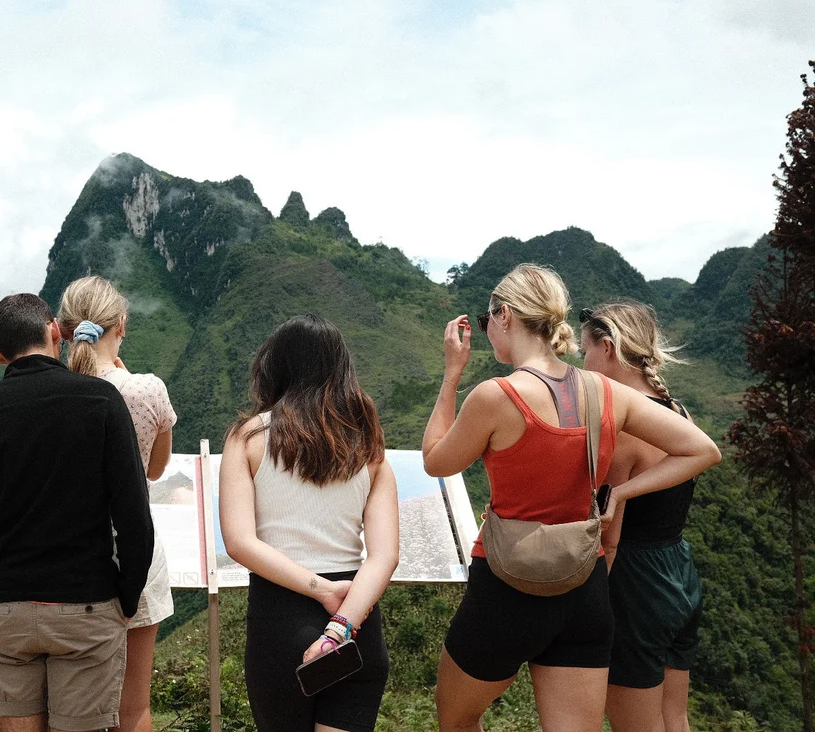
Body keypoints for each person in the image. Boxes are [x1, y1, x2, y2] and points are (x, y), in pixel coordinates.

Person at [422, 264, 721, 732]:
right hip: (585, 591)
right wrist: (620, 494)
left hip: (506, 587)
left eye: (487, 321)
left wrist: (450, 374)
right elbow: (702, 449)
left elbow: (436, 461)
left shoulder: (494, 396)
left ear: (504, 316)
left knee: (457, 718)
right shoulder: (604, 391)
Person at [0, 293, 154, 732]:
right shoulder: (100, 401)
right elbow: (133, 516)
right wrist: (127, 597)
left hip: (9, 608)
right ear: (55, 331)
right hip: (86, 605)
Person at [220, 314, 400, 732]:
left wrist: (321, 592)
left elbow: (240, 542)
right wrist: (341, 624)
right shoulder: (368, 444)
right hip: (357, 623)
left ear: (274, 365)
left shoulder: (246, 439)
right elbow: (385, 556)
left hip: (280, 620)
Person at [580, 301, 710, 732]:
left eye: (586, 352)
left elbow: (610, 537)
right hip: (679, 572)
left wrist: (589, 608)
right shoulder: (677, 412)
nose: (584, 364)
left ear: (609, 348)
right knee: (675, 718)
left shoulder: (625, 427)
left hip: (635, 585)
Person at [57, 276, 176, 732]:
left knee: (72, 711)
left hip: (67, 557)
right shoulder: (147, 390)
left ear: (64, 331)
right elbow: (154, 469)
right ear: (120, 325)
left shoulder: (50, 391)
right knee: (133, 710)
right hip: (134, 553)